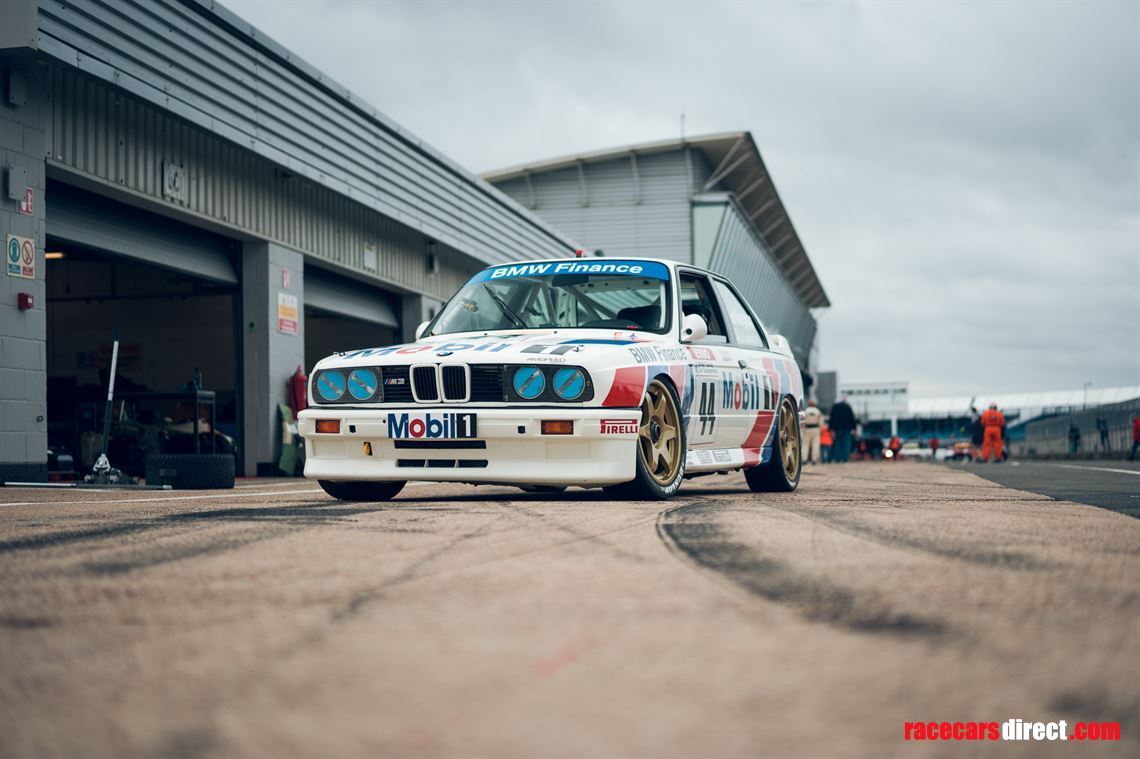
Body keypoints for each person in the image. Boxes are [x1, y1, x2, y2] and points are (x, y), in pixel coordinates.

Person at [829, 397, 856, 463]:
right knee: (846, 444)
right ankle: (845, 459)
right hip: (847, 429)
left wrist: (832, 429)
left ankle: (837, 459)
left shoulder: (835, 407)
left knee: (838, 444)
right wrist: (854, 428)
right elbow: (852, 418)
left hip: (837, 429)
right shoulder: (847, 407)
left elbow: (832, 419)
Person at [802, 400, 824, 465]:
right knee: (816, 445)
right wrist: (820, 429)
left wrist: (803, 429)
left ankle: (804, 459)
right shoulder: (818, 411)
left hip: (807, 429)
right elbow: (821, 421)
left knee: (805, 445)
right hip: (815, 429)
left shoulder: (806, 411)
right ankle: (814, 460)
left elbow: (802, 420)